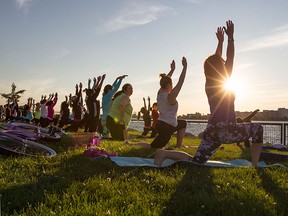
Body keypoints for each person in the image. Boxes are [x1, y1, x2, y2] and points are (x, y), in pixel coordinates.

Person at [154, 20, 263, 168]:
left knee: (197, 161)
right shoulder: (223, 80)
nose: (225, 63)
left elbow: (216, 60)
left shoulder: (210, 83)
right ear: (220, 67)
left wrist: (220, 42)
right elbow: (230, 58)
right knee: (258, 129)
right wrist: (230, 38)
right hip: (227, 129)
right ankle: (255, 165)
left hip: (212, 131)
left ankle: (163, 153)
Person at [126, 57, 188, 149]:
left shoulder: (159, 94)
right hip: (167, 127)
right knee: (153, 147)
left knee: (182, 123)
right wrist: (185, 67)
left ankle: (179, 145)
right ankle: (130, 144)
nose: (173, 86)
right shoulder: (170, 96)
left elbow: (164, 80)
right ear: (168, 85)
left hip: (161, 124)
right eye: (171, 84)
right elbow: (181, 81)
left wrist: (172, 70)